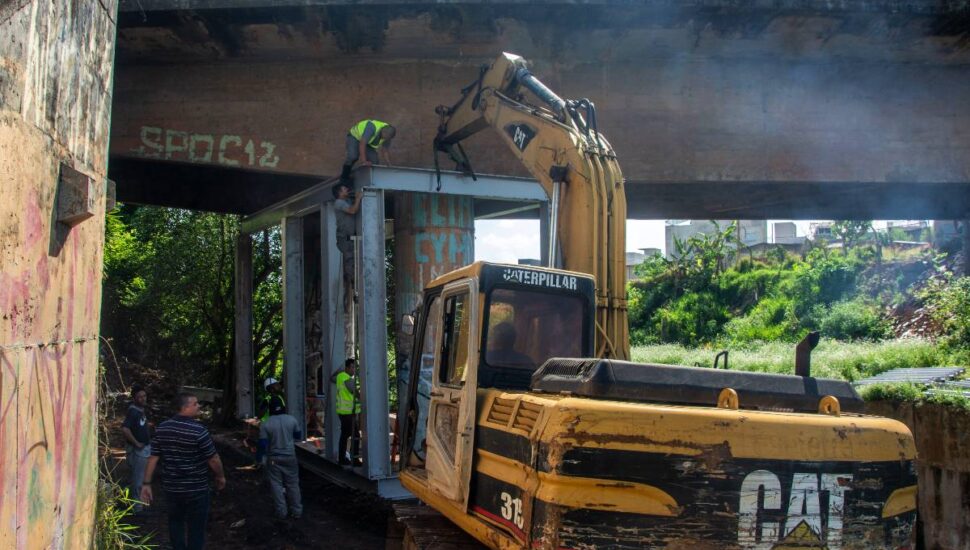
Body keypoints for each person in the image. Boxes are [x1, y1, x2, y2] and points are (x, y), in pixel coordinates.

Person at [141, 393, 226, 550]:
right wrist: (220, 476)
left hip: (172, 488)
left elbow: (153, 457)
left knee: (175, 524)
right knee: (196, 528)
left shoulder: (162, 428)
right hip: (197, 489)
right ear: (185, 407)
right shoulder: (199, 430)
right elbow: (213, 458)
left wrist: (146, 483)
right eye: (195, 404)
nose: (199, 406)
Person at [256, 402, 304, 519]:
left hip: (274, 459)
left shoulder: (266, 424)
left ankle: (281, 512)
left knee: (276, 484)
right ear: (283, 409)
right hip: (290, 458)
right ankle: (297, 511)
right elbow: (298, 436)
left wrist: (259, 459)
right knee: (292, 484)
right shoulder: (291, 420)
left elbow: (262, 444)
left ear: (270, 411)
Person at [332, 181, 362, 317]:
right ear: (339, 192)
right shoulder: (339, 203)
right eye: (345, 188)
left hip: (351, 239)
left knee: (354, 266)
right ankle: (354, 293)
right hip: (345, 239)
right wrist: (358, 198)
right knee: (350, 267)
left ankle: (355, 290)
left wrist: (354, 196)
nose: (347, 189)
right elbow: (353, 210)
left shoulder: (346, 200)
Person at [121, 385, 151, 512]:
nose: (143, 399)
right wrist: (137, 443)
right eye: (139, 397)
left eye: (144, 396)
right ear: (134, 398)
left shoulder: (140, 410)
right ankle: (136, 507)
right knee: (137, 478)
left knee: (137, 476)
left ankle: (131, 501)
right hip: (138, 450)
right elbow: (125, 428)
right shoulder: (133, 411)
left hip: (143, 449)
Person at [330, 358, 362, 465]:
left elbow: (332, 378)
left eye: (355, 367)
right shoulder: (346, 378)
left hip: (344, 412)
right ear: (347, 368)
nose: (354, 370)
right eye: (352, 367)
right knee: (355, 435)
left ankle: (342, 458)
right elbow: (355, 392)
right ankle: (354, 459)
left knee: (345, 435)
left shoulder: (339, 377)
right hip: (348, 413)